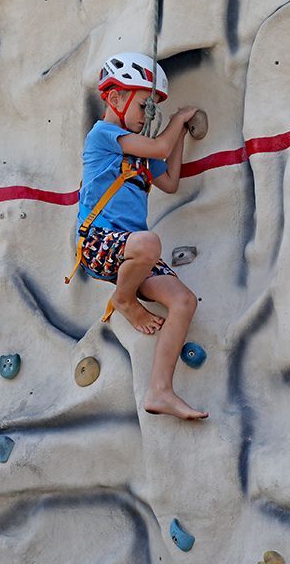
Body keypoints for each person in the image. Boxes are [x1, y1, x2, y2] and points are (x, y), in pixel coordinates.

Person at [72, 52, 207, 420]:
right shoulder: (104, 135)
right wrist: (178, 120)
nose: (149, 116)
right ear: (115, 98)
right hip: (99, 242)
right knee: (148, 242)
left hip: (132, 254)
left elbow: (170, 180)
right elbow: (160, 146)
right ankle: (125, 301)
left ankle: (160, 391)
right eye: (146, 106)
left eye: (153, 111)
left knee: (183, 301)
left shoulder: (142, 152)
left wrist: (179, 132)